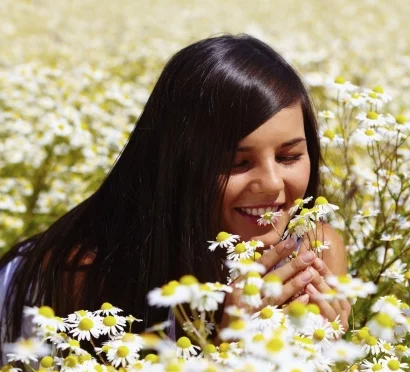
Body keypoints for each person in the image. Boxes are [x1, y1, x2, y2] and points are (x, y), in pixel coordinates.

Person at [0, 34, 349, 351]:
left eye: (289, 157)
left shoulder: (315, 253)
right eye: (236, 163)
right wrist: (233, 350)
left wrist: (323, 352)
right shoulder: (82, 275)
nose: (272, 183)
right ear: (179, 164)